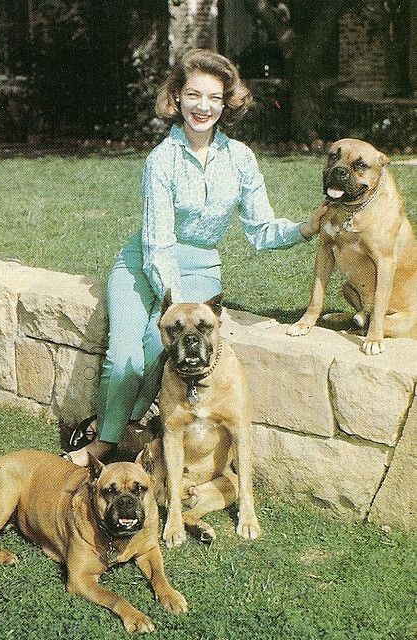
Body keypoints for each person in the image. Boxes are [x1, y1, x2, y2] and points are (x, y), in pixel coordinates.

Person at [65, 48, 325, 466]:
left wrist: (304, 229)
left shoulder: (241, 159)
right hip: (142, 260)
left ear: (227, 103)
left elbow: (260, 229)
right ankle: (106, 441)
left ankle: (129, 420)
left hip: (202, 267)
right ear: (177, 98)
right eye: (193, 95)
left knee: (159, 351)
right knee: (127, 353)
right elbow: (156, 243)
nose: (203, 107)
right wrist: (175, 303)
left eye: (215, 98)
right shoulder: (161, 159)